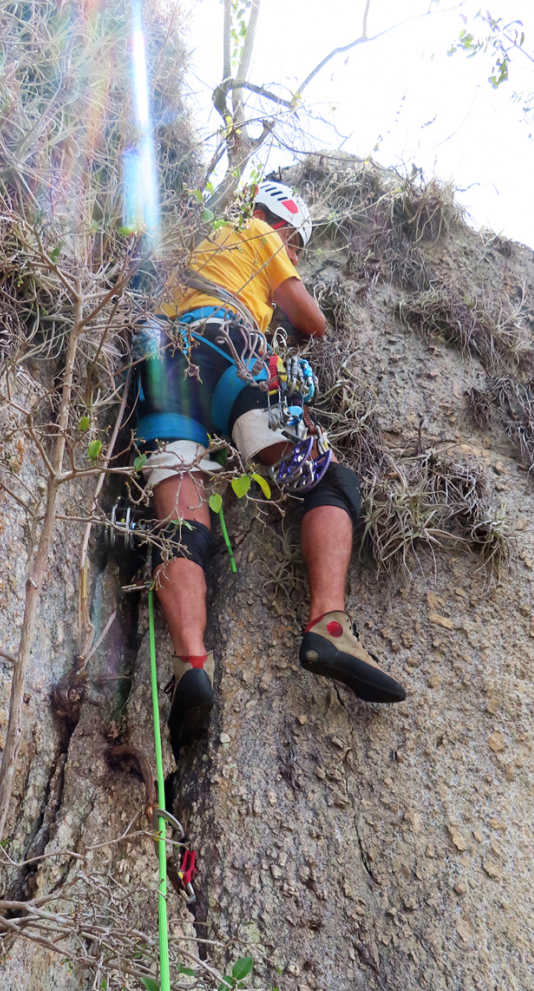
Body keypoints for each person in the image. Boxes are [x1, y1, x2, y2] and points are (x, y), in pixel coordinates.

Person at [135, 181, 406, 753]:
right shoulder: (258, 232)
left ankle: (191, 666)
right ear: (283, 222)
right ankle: (328, 625)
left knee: (181, 527)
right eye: (299, 245)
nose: (296, 256)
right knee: (330, 479)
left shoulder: (188, 247)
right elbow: (311, 319)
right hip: (226, 347)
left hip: (162, 368)